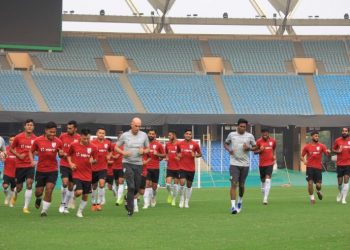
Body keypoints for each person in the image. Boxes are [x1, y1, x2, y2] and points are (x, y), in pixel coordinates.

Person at [115, 117, 149, 216]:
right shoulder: (125, 135)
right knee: (131, 185)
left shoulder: (144, 135)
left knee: (137, 187)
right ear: (131, 125)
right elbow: (116, 147)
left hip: (139, 164)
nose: (137, 128)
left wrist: (144, 151)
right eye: (136, 126)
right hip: (127, 163)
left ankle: (127, 198)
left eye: (139, 126)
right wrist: (123, 152)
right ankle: (130, 209)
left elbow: (148, 149)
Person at [29, 122, 63, 216]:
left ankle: (44, 211)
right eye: (50, 132)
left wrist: (61, 154)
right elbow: (30, 151)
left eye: (54, 132)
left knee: (49, 189)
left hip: (53, 170)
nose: (52, 134)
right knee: (38, 192)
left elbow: (61, 155)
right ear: (46, 130)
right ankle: (39, 198)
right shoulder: (38, 140)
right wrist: (32, 161)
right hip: (40, 170)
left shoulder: (58, 141)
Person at [224, 118, 257, 214]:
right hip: (234, 163)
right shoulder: (231, 135)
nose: (242, 128)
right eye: (241, 126)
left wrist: (249, 148)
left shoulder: (250, 136)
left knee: (241, 185)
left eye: (244, 127)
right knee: (234, 183)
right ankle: (233, 207)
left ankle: (240, 201)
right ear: (237, 126)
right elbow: (226, 144)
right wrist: (229, 149)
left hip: (245, 164)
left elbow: (255, 147)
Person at [67, 128, 97, 218]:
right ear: (80, 137)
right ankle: (73, 197)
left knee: (85, 195)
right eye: (84, 138)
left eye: (88, 138)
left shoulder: (93, 147)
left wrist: (93, 160)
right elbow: (68, 155)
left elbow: (96, 160)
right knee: (79, 191)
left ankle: (79, 211)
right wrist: (71, 163)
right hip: (77, 173)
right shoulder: (73, 145)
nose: (86, 140)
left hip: (88, 174)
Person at [10, 119, 37, 214]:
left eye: (31, 125)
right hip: (20, 165)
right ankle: (15, 194)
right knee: (19, 187)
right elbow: (11, 149)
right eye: (28, 125)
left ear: (33, 127)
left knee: (29, 183)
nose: (29, 126)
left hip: (30, 165)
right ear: (24, 126)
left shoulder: (35, 139)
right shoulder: (18, 137)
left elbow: (37, 151)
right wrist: (18, 155)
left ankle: (25, 207)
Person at [301, 131, 330, 204]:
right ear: (312, 137)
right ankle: (312, 198)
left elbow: (327, 154)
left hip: (318, 168)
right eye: (315, 136)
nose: (317, 137)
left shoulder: (322, 146)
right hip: (310, 167)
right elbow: (301, 156)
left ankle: (318, 191)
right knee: (310, 183)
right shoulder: (307, 146)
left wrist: (329, 152)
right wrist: (304, 161)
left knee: (318, 185)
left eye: (317, 136)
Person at [59, 120, 80, 213]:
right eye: (67, 128)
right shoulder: (62, 136)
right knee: (64, 183)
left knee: (71, 187)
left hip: (74, 165)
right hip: (64, 163)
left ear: (75, 129)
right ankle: (62, 204)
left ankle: (66, 205)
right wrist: (60, 153)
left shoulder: (79, 138)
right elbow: (59, 149)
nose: (68, 130)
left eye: (70, 128)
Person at [177, 129, 202, 208]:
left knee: (189, 185)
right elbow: (178, 153)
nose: (188, 135)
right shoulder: (180, 144)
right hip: (182, 167)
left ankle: (187, 201)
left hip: (191, 168)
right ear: (184, 135)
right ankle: (181, 199)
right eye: (187, 134)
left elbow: (200, 154)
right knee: (182, 183)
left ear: (191, 135)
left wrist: (194, 155)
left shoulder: (195, 144)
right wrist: (178, 155)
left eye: (190, 134)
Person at [91, 128, 112, 211]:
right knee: (94, 186)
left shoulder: (108, 143)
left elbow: (110, 151)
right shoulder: (92, 143)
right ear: (97, 133)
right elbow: (89, 153)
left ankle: (99, 203)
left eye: (103, 133)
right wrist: (91, 159)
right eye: (100, 133)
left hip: (103, 167)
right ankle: (93, 203)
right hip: (93, 168)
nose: (101, 134)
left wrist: (109, 156)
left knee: (102, 184)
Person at [143, 129, 165, 209]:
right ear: (147, 134)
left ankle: (153, 197)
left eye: (153, 134)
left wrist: (157, 154)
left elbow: (164, 155)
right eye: (150, 133)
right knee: (147, 184)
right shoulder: (144, 144)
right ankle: (146, 202)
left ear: (155, 135)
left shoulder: (158, 144)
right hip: (146, 167)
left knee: (154, 186)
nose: (151, 135)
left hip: (155, 168)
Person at [255, 129, 276, 205]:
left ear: (268, 133)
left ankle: (265, 199)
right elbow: (255, 152)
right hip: (261, 164)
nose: (265, 134)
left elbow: (274, 149)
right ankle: (264, 195)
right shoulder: (258, 141)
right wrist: (260, 150)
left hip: (270, 163)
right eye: (263, 133)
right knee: (263, 181)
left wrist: (274, 156)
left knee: (267, 180)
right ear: (262, 134)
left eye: (266, 133)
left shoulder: (273, 141)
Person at [332, 127, 350, 204]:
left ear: (348, 132)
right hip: (340, 164)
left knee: (346, 179)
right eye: (343, 131)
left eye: (346, 131)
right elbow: (333, 149)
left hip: (348, 164)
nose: (344, 132)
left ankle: (344, 199)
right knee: (339, 183)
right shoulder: (337, 140)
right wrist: (337, 151)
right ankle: (340, 192)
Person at [165, 131, 180, 206]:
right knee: (167, 184)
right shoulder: (167, 144)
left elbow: (182, 155)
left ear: (174, 135)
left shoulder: (179, 144)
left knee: (175, 185)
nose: (168, 136)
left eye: (170, 135)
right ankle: (170, 193)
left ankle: (174, 199)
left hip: (178, 168)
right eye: (168, 135)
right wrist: (167, 158)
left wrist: (178, 157)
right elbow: (166, 154)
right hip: (170, 167)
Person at [1, 135, 16, 207]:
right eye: (10, 140)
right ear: (9, 141)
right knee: (5, 186)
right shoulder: (5, 149)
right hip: (7, 172)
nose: (12, 141)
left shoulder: (18, 150)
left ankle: (11, 202)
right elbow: (2, 158)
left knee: (13, 188)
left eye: (13, 140)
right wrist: (2, 159)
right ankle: (7, 196)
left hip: (16, 173)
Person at [111, 131, 125, 206]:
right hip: (114, 167)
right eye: (120, 136)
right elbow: (111, 154)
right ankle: (118, 196)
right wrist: (113, 156)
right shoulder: (114, 145)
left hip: (122, 167)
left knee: (121, 182)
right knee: (116, 183)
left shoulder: (126, 146)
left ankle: (119, 199)